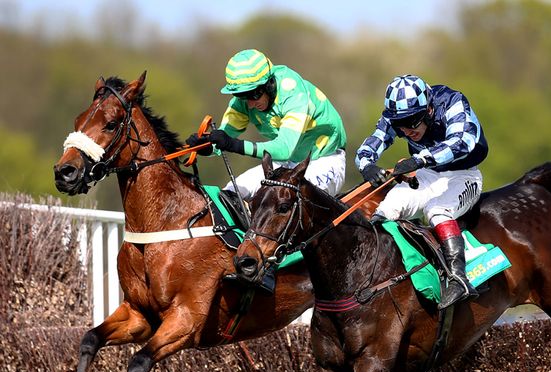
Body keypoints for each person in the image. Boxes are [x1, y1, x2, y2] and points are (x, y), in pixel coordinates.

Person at [187, 48, 348, 293]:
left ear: (271, 83)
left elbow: (283, 148)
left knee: (284, 199)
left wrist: (232, 145)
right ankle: (241, 259)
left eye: (254, 93)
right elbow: (226, 137)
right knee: (230, 193)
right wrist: (208, 146)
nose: (250, 102)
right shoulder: (242, 100)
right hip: (288, 166)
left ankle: (275, 272)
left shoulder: (293, 91)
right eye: (242, 96)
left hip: (325, 160)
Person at [356, 74, 488, 310]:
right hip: (428, 175)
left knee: (436, 210)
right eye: (400, 125)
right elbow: (373, 141)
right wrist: (366, 165)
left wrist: (420, 159)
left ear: (428, 109)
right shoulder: (398, 117)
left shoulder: (452, 101)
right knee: (387, 208)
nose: (407, 130)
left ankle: (459, 279)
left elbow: (463, 141)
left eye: (414, 121)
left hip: (465, 175)